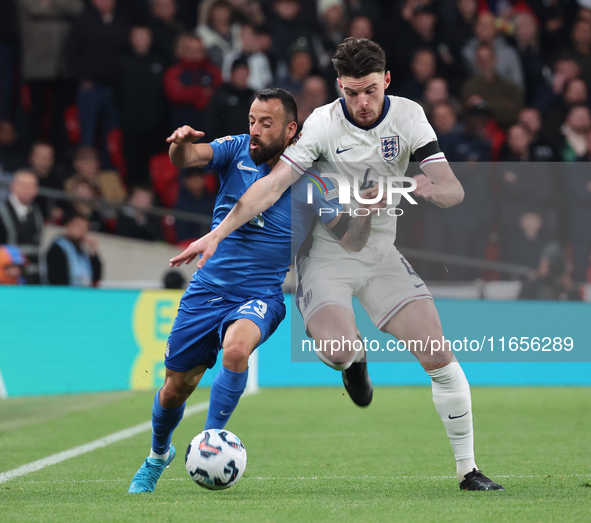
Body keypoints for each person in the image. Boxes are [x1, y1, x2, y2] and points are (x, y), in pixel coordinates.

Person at [175, 38, 504, 491]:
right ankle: (355, 362)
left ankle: (468, 471)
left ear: (386, 80)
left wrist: (425, 188)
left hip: (381, 254)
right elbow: (270, 188)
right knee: (337, 351)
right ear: (338, 87)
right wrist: (217, 233)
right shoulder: (321, 127)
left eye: (370, 89)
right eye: (351, 92)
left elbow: (453, 190)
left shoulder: (409, 116)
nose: (362, 102)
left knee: (437, 352)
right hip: (327, 257)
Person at [128, 88, 384, 493]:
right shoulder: (234, 150)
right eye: (252, 121)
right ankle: (158, 455)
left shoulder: (314, 182)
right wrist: (180, 146)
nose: (255, 131)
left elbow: (352, 241)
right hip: (206, 290)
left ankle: (209, 443)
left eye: (266, 124)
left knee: (235, 350)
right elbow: (190, 159)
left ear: (291, 130)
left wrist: (366, 214)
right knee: (176, 388)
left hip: (260, 295)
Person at [0, 169, 44, 284]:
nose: (27, 190)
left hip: (32, 277)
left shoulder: (37, 212)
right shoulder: (2, 210)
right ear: (12, 186)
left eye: (31, 186)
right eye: (23, 185)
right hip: (6, 277)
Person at [43, 212, 102, 286]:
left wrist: (94, 251)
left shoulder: (82, 251)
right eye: (77, 226)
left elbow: (95, 278)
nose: (81, 230)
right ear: (67, 226)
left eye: (84, 227)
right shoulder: (58, 248)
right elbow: (56, 280)